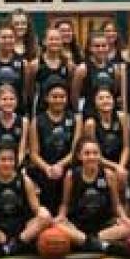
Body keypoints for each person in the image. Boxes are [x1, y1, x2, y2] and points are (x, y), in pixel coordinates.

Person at [54, 138, 130, 255]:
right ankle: (103, 245)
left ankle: (87, 242)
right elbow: (65, 204)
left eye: (95, 153)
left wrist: (124, 217)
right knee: (56, 224)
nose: (91, 157)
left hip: (103, 225)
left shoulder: (108, 175)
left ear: (100, 156)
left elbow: (117, 204)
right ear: (79, 156)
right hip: (78, 225)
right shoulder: (71, 175)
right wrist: (61, 216)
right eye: (87, 153)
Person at [0, 145, 52, 256]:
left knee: (46, 217)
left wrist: (42, 211)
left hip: (23, 230)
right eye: (3, 160)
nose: (7, 163)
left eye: (11, 160)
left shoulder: (25, 180)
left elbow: (36, 209)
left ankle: (15, 245)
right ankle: (11, 246)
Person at [29, 82, 82, 214]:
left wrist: (60, 165)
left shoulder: (76, 119)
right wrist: (47, 168)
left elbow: (75, 151)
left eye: (62, 97)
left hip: (67, 166)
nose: (58, 100)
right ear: (47, 98)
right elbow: (34, 154)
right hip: (45, 168)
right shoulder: (37, 121)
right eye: (54, 96)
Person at [84, 87, 130, 191]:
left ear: (113, 100)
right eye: (101, 98)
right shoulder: (90, 124)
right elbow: (94, 154)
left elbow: (126, 147)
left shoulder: (123, 118)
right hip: (100, 163)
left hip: (121, 161)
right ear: (95, 103)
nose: (105, 101)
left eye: (108, 97)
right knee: (111, 175)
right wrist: (116, 167)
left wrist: (121, 166)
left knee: (123, 176)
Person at [0, 22, 32, 115]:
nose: (7, 40)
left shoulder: (24, 63)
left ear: (15, 39)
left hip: (17, 114)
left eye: (11, 37)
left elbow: (25, 92)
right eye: (4, 37)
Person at [72, 32, 122, 117]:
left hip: (109, 113)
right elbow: (75, 95)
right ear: (90, 48)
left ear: (108, 47)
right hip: (89, 113)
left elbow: (115, 91)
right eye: (97, 46)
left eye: (104, 46)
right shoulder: (82, 69)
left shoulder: (115, 69)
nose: (101, 49)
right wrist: (78, 114)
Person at [31, 27, 73, 115]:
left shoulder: (68, 64)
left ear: (61, 42)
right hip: (42, 109)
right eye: (51, 39)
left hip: (63, 108)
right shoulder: (35, 64)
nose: (54, 42)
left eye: (57, 39)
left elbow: (70, 87)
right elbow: (30, 90)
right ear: (44, 42)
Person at [0, 85, 29, 166]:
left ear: (17, 101)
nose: (8, 102)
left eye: (12, 99)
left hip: (15, 164)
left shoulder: (24, 122)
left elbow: (22, 150)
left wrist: (15, 167)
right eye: (4, 99)